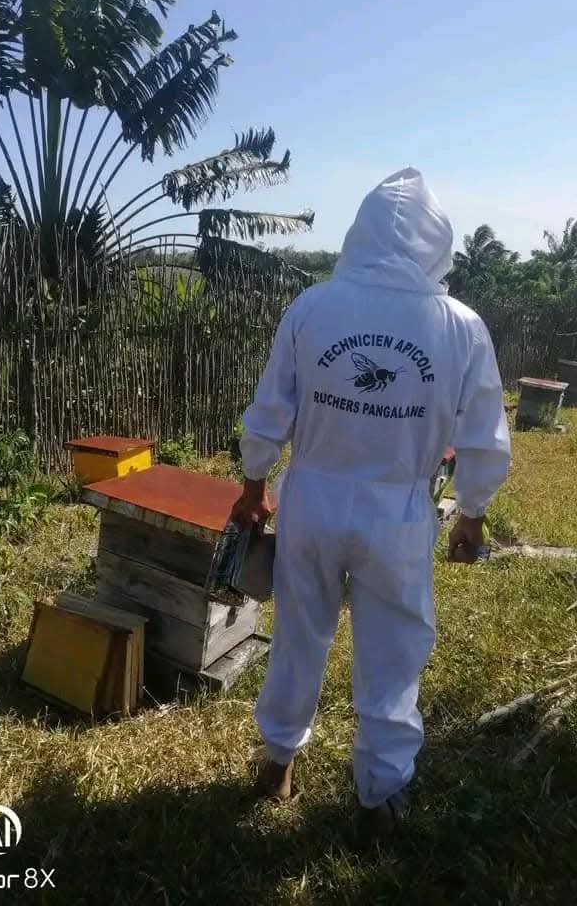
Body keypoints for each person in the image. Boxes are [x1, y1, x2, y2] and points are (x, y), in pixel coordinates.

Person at [231, 167, 511, 832]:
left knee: (299, 635)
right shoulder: (460, 326)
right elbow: (484, 436)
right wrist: (471, 512)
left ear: (358, 232)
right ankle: (381, 797)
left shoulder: (313, 306)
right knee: (392, 651)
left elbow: (271, 408)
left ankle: (278, 766)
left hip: (314, 500)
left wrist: (253, 482)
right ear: (437, 241)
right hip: (400, 513)